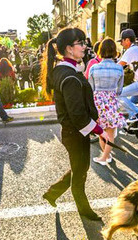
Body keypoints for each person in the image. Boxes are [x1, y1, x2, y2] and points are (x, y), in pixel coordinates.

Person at [41, 27, 109, 221]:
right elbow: (78, 115)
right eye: (81, 43)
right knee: (80, 172)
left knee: (79, 168)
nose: (85, 47)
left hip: (75, 132)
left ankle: (53, 193)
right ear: (69, 49)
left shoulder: (68, 70)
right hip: (75, 132)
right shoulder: (69, 75)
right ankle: (84, 209)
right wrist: (99, 131)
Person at [88, 38, 125, 165]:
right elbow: (119, 90)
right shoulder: (119, 69)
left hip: (97, 103)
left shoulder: (94, 68)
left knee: (101, 133)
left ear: (100, 51)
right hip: (112, 103)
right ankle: (106, 156)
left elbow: (90, 88)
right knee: (110, 134)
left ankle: (104, 157)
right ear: (115, 51)